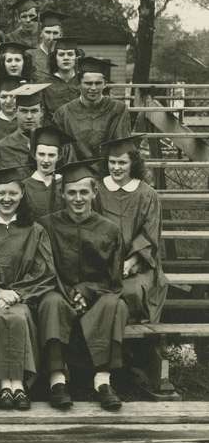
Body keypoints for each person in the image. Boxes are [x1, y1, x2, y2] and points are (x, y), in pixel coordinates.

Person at [38, 159, 127, 411]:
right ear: (62, 194)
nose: (78, 198)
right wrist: (68, 293)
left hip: (96, 298)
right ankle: (57, 380)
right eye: (72, 192)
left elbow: (114, 280)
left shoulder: (109, 229)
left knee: (115, 303)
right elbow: (43, 271)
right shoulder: (46, 226)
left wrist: (86, 291)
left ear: (94, 193)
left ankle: (103, 381)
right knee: (51, 302)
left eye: (84, 192)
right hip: (57, 293)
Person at [0, 166, 58, 410]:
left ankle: (18, 384)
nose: (6, 199)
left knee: (18, 316)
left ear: (22, 194)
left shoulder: (35, 230)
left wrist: (17, 294)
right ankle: (4, 384)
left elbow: (44, 270)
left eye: (12, 193)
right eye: (1, 193)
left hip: (23, 299)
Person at [98, 135, 167, 324]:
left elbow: (149, 233)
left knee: (131, 291)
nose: (116, 167)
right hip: (102, 263)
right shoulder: (98, 190)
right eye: (112, 162)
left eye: (122, 162)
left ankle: (133, 347)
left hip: (139, 264)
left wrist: (130, 262)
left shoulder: (147, 194)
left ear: (133, 164)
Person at [53, 56, 131, 160]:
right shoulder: (64, 113)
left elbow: (122, 145)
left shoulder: (118, 110)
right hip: (75, 172)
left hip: (109, 170)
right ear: (79, 84)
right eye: (88, 83)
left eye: (98, 83)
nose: (93, 88)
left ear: (105, 84)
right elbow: (61, 151)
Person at [0, 83, 48, 168]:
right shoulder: (1, 148)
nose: (29, 117)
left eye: (34, 111)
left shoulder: (55, 145)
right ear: (16, 112)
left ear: (42, 112)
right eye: (24, 111)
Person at [21, 125, 69, 219]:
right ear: (34, 155)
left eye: (51, 155)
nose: (46, 160)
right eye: (41, 154)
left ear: (59, 156)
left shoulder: (66, 183)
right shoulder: (24, 186)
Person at [42, 36, 82, 115]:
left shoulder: (83, 81)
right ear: (55, 58)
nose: (66, 58)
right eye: (61, 54)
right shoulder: (45, 84)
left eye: (70, 54)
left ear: (76, 57)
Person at [27, 9, 67, 78]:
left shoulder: (66, 55)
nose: (51, 37)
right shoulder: (30, 55)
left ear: (61, 35)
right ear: (41, 34)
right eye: (48, 32)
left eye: (55, 33)